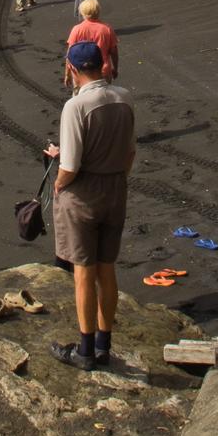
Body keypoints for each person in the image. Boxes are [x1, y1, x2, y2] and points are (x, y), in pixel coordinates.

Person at [49, 41, 136, 371]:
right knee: (106, 267)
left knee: (83, 272)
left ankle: (85, 349)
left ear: (72, 69)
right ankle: (103, 344)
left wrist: (58, 184)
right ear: (102, 64)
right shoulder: (124, 97)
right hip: (116, 187)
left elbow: (70, 165)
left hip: (85, 193)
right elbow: (130, 151)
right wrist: (116, 175)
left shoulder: (76, 107)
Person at [62, 0, 119, 87]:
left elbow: (70, 53)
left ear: (82, 12)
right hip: (102, 71)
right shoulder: (107, 29)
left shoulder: (77, 29)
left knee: (81, 98)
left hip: (81, 73)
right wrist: (115, 68)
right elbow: (114, 52)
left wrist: (67, 74)